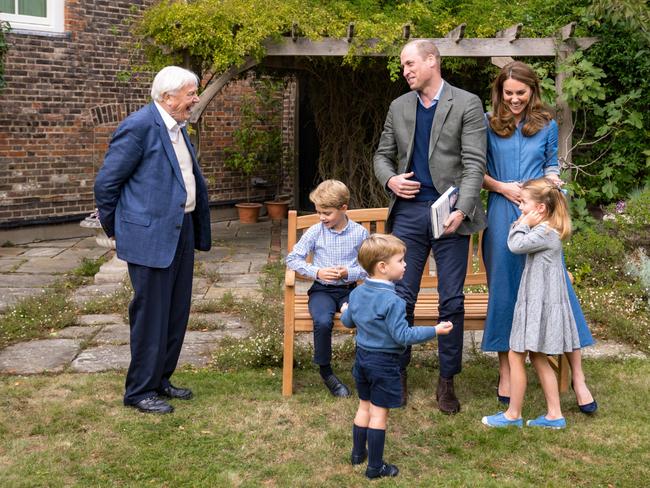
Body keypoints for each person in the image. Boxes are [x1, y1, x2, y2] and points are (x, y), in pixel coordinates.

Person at [373, 39, 487, 413]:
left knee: (451, 300)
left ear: (432, 61)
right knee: (400, 298)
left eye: (409, 64)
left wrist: (464, 209)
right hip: (408, 214)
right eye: (403, 65)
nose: (405, 71)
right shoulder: (398, 106)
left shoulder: (467, 103)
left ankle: (447, 381)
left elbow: (474, 164)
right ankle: (398, 373)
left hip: (450, 215)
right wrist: (390, 180)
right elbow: (381, 155)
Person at [480, 61, 597, 414]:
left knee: (557, 288)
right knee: (505, 288)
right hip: (503, 212)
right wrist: (502, 187)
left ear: (533, 91)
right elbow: (476, 169)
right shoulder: (487, 123)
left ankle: (577, 377)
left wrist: (550, 181)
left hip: (540, 213)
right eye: (509, 93)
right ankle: (505, 371)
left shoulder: (545, 124)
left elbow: (551, 164)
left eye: (521, 93)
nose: (515, 99)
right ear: (500, 92)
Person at [94, 66, 211, 414]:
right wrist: (117, 230)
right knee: (150, 315)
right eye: (190, 93)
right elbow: (107, 184)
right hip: (150, 236)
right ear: (167, 97)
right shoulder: (139, 126)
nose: (195, 99)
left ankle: (161, 379)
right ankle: (139, 391)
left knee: (176, 311)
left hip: (181, 230)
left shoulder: (177, 128)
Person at [341, 234, 453, 478]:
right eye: (401, 260)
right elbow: (402, 335)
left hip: (362, 359)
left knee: (364, 407)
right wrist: (435, 330)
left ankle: (358, 455)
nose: (405, 265)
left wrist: (344, 311)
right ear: (383, 267)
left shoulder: (357, 294)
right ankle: (375, 467)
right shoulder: (394, 301)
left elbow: (348, 321)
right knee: (379, 414)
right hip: (384, 364)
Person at [482, 178, 583, 428]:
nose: (520, 208)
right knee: (537, 356)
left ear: (540, 208)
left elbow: (515, 245)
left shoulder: (544, 232)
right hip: (537, 302)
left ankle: (512, 415)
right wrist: (525, 222)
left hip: (538, 306)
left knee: (516, 355)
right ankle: (554, 415)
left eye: (524, 203)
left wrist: (521, 224)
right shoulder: (547, 230)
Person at [285, 180, 368, 397]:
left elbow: (370, 268)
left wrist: (348, 273)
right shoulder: (315, 232)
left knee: (363, 317)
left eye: (327, 213)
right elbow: (292, 259)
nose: (322, 217)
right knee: (322, 321)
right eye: (319, 212)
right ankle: (326, 372)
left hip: (350, 290)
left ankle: (361, 368)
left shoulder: (359, 233)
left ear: (343, 208)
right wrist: (316, 272)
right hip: (322, 291)